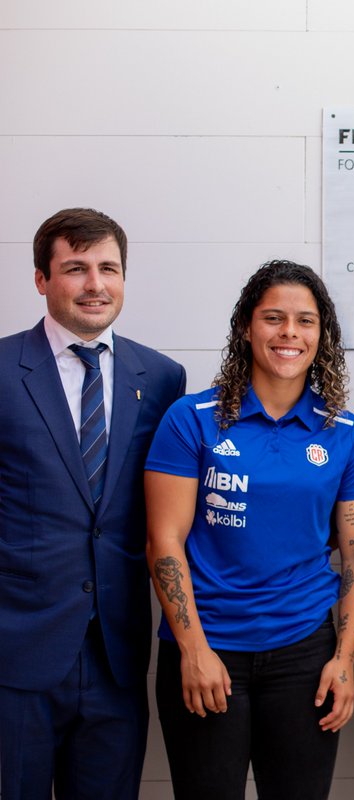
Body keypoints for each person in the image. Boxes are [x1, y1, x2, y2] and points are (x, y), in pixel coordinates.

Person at [144, 260, 354, 800]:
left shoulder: (344, 433)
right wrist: (193, 649)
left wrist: (343, 660)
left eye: (305, 321)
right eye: (274, 318)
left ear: (323, 335)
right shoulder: (190, 419)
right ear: (247, 327)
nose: (289, 333)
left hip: (305, 654)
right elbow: (163, 542)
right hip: (209, 647)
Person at [0, 208, 186, 799]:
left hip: (116, 654)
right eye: (76, 268)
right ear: (41, 279)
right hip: (15, 656)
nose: (95, 284)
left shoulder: (160, 377)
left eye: (109, 268)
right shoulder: (2, 370)